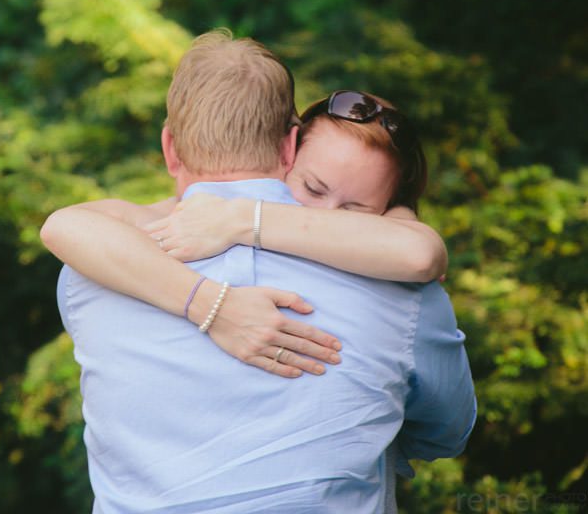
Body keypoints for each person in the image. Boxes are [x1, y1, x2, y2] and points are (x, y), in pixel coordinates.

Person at [41, 30, 476, 512]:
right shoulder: (401, 286)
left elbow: (69, 224)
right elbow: (447, 432)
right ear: (291, 147)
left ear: (169, 147)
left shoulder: (93, 273)